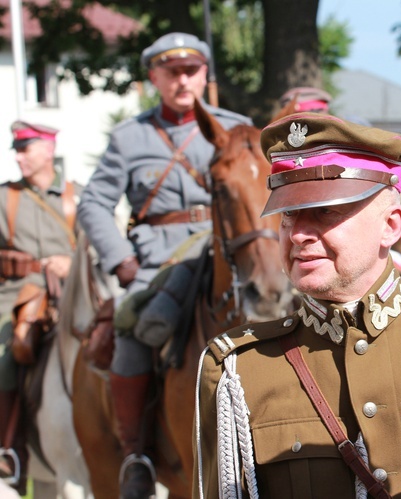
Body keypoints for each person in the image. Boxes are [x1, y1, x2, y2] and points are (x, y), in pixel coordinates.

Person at [193, 113, 401, 498]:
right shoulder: (239, 372)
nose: (299, 235)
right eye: (288, 214)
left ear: (391, 225)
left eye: (326, 211)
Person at [76, 32, 252, 498]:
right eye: (171, 72)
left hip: (221, 255)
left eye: (191, 70)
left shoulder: (236, 127)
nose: (182, 80)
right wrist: (122, 260)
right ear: (153, 77)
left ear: (204, 75)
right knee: (133, 325)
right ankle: (136, 454)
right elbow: (93, 203)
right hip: (156, 261)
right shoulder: (130, 137)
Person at [0, 121, 78, 494]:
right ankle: (8, 449)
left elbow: (98, 249)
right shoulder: (5, 198)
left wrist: (70, 262)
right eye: (16, 149)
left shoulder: (75, 197)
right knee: (6, 353)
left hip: (71, 295)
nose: (17, 156)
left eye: (24, 148)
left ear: (47, 150)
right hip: (17, 296)